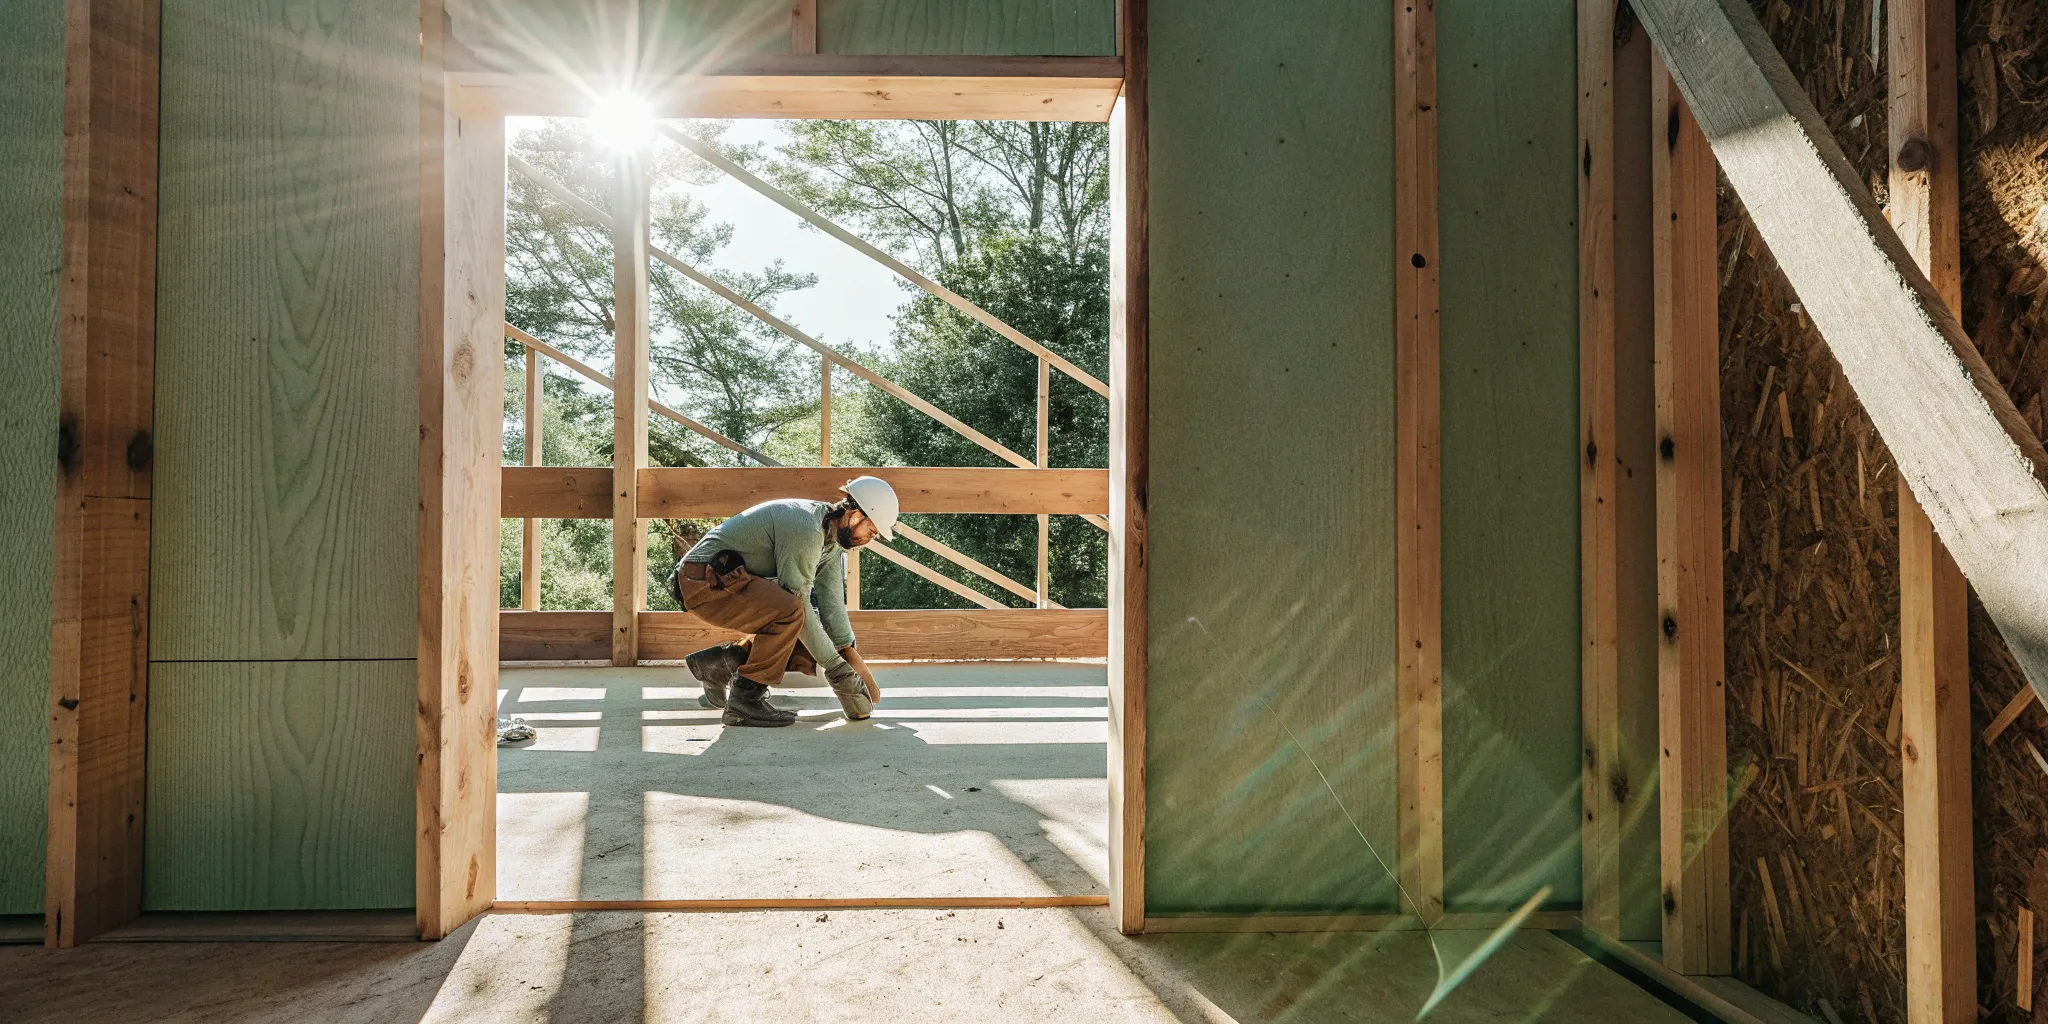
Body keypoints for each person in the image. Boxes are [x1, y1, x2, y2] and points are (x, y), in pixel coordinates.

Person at [668, 476, 895, 727]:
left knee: (809, 634)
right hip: (701, 582)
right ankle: (745, 701)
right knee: (793, 612)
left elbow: (832, 604)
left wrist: (847, 650)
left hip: (730, 580)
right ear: (855, 517)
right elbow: (796, 600)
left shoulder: (830, 539)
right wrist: (838, 671)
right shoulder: (807, 530)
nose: (869, 539)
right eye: (871, 531)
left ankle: (720, 665)